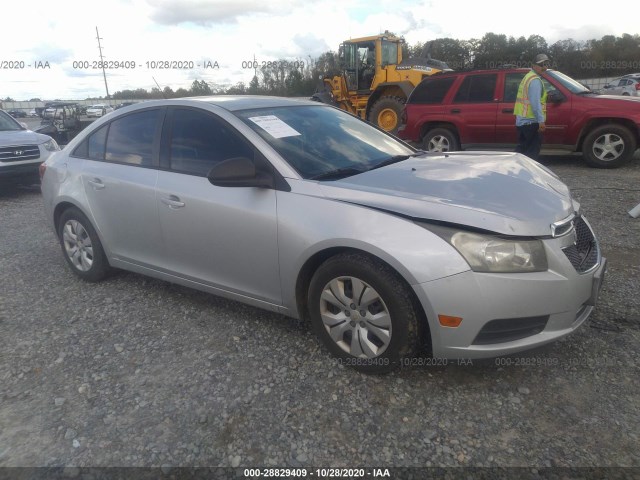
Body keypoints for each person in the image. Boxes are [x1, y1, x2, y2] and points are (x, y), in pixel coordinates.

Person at [514, 53, 550, 160]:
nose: (545, 67)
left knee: (522, 152)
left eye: (546, 64)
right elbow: (535, 103)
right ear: (534, 66)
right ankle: (526, 174)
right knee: (531, 155)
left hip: (523, 121)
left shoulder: (529, 76)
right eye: (542, 64)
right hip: (531, 122)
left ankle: (513, 170)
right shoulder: (535, 80)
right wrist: (541, 121)